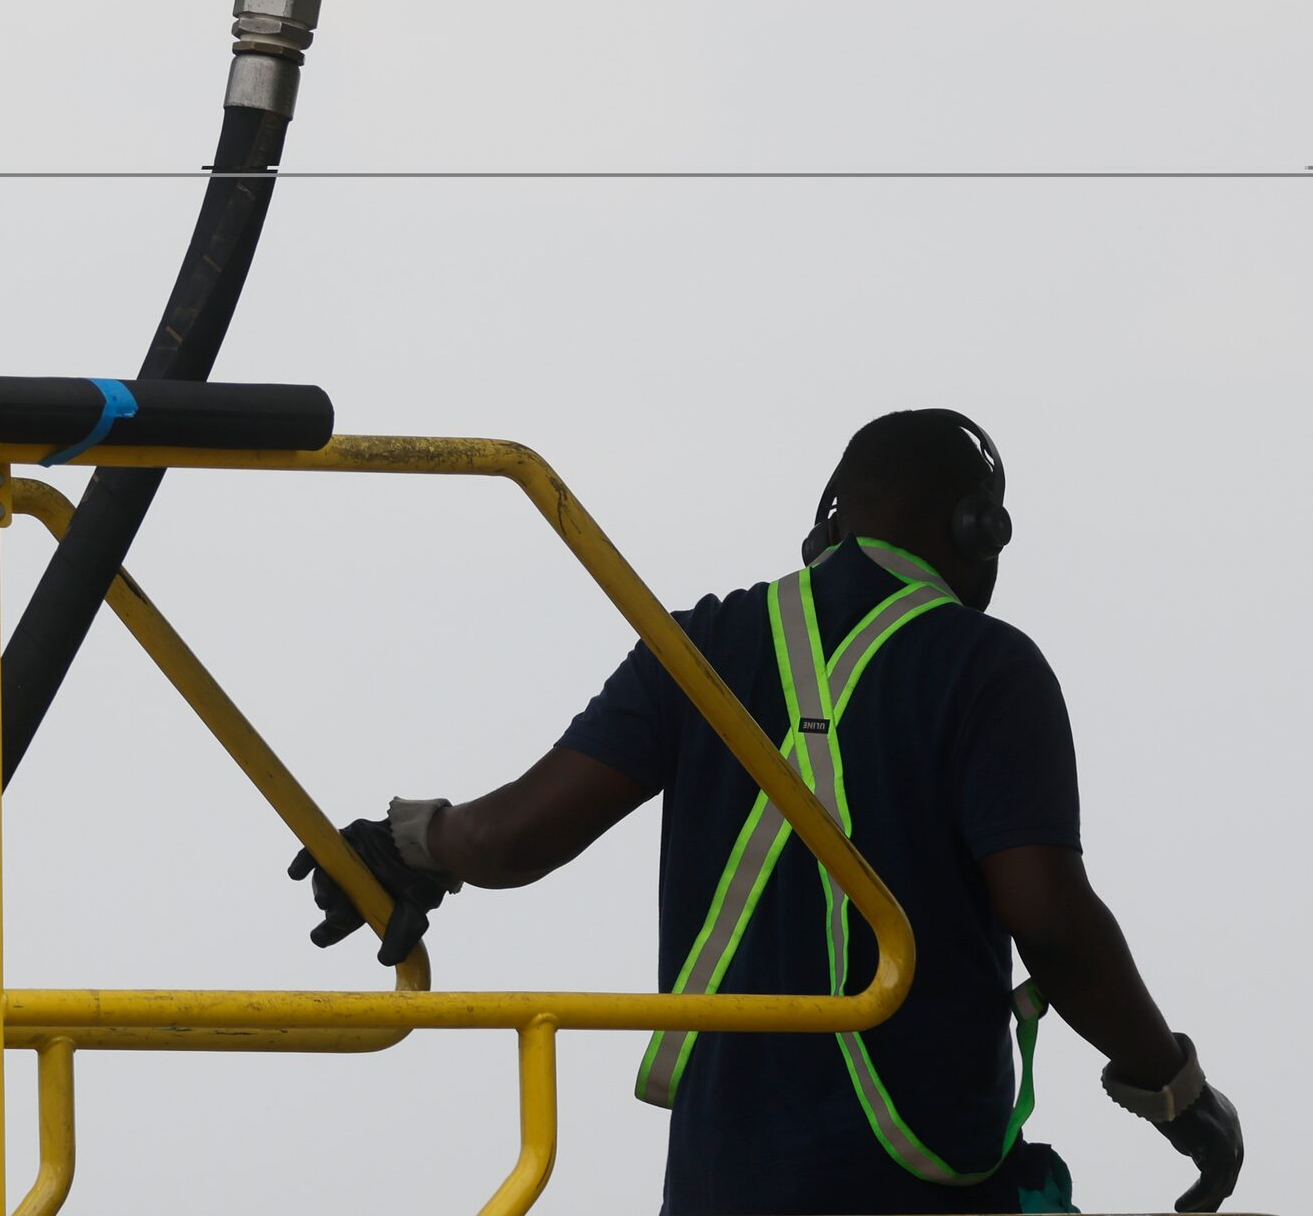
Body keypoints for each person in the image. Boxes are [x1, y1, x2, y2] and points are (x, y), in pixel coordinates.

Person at [291, 410, 1244, 1215]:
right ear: (976, 530)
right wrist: (1171, 1085)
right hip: (913, 1183)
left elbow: (508, 838)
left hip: (721, 1183)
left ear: (827, 519)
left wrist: (400, 843)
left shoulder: (699, 642)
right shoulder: (987, 666)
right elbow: (1049, 917)